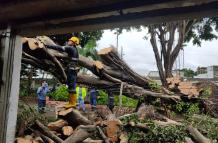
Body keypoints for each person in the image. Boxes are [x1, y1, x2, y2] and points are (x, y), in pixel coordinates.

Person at [45, 36, 80, 108]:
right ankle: (72, 102)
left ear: (73, 43)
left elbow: (59, 48)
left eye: (70, 40)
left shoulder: (70, 48)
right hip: (74, 68)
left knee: (71, 85)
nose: (68, 41)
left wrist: (48, 46)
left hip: (72, 68)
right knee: (71, 85)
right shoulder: (75, 49)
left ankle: (72, 103)